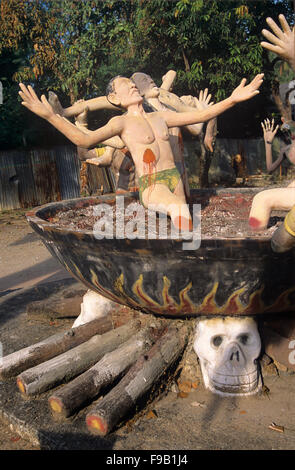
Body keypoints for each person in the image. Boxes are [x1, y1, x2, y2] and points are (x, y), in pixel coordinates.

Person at [19, 73, 264, 231]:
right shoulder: (120, 123)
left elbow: (202, 115)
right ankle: (189, 269)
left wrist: (232, 99)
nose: (133, 85)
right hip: (154, 184)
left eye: (133, 83)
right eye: (126, 84)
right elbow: (83, 138)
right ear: (114, 97)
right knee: (182, 217)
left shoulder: (161, 116)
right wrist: (51, 116)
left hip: (178, 182)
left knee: (184, 223)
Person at [131, 71, 215, 198]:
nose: (151, 81)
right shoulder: (142, 117)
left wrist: (202, 109)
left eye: (150, 78)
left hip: (180, 171)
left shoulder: (170, 111)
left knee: (184, 208)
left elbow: (196, 129)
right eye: (144, 80)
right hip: (157, 175)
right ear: (138, 91)